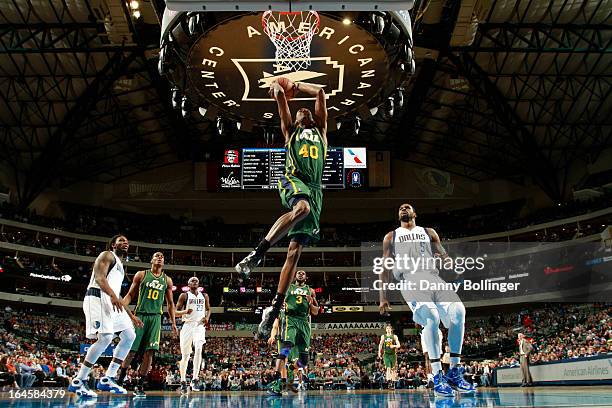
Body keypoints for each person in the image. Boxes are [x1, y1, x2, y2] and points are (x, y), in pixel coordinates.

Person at [235, 78, 327, 338]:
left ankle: (273, 311)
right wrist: (280, 87)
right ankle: (256, 254)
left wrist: (297, 85)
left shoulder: (321, 132)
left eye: (306, 111)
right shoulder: (290, 131)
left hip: (316, 189)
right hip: (293, 178)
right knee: (302, 209)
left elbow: (319, 91)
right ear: (295, 120)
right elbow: (278, 96)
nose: (304, 111)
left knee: (294, 253)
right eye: (300, 111)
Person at [378, 204, 475, 397]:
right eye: (400, 208)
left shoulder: (428, 232)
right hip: (410, 280)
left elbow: (445, 255)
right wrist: (383, 297)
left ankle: (454, 371)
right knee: (431, 316)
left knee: (459, 312)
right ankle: (438, 375)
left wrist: (450, 263)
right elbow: (385, 267)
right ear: (398, 216)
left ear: (415, 214)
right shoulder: (391, 236)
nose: (404, 208)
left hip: (433, 278)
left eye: (408, 207)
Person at [68, 234, 143, 398]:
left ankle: (108, 378)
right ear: (113, 244)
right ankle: (79, 380)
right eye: (121, 240)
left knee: (130, 335)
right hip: (98, 297)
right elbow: (100, 278)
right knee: (105, 338)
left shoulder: (120, 264)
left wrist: (130, 315)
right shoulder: (107, 255)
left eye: (127, 241)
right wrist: (113, 296)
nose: (125, 243)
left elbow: (116, 294)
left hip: (111, 300)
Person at [117, 252, 177, 397]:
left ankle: (140, 385)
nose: (159, 258)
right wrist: (122, 306)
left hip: (156, 317)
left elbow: (170, 304)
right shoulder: (141, 275)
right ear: (151, 260)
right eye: (156, 256)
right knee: (131, 351)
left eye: (162, 257)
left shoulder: (167, 280)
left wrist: (174, 322)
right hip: (140, 315)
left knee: (150, 352)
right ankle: (120, 379)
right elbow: (131, 294)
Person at [267, 270, 318, 396]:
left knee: (304, 361)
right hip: (291, 320)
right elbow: (275, 304)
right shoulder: (287, 288)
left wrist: (311, 302)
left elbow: (316, 311)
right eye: (298, 272)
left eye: (303, 273)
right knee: (286, 349)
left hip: (304, 322)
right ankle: (277, 379)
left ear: (306, 277)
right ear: (295, 276)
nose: (300, 274)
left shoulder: (310, 291)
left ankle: (290, 370)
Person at [175, 276, 210, 394]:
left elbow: (208, 309)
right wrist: (185, 311)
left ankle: (195, 379)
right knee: (185, 356)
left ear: (199, 284)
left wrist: (207, 317)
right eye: (192, 280)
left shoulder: (204, 296)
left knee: (199, 349)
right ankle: (183, 380)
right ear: (188, 284)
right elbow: (175, 312)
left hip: (199, 326)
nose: (194, 281)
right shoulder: (184, 296)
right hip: (187, 325)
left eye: (196, 280)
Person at [378, 324, 400, 389]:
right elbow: (380, 344)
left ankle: (393, 382)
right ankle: (389, 382)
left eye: (389, 328)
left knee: (393, 369)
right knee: (388, 368)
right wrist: (379, 352)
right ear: (385, 330)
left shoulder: (394, 336)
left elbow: (399, 345)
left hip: (393, 354)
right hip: (386, 354)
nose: (388, 329)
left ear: (391, 329)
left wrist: (394, 346)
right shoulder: (383, 336)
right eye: (387, 328)